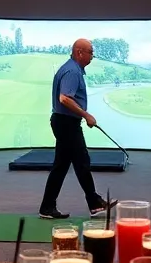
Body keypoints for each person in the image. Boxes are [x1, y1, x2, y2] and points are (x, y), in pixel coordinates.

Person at [38, 39, 114, 220]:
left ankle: (47, 207)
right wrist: (86, 115)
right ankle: (94, 203)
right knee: (81, 162)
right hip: (66, 123)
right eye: (90, 52)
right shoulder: (72, 71)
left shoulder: (72, 68)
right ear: (79, 52)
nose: (92, 56)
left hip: (64, 122)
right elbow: (64, 98)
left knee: (62, 166)